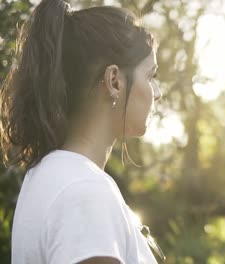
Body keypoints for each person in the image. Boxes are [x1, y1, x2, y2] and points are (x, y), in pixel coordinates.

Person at [0, 0, 164, 263]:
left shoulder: (49, 175)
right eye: (151, 76)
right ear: (114, 81)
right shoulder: (84, 191)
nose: (157, 93)